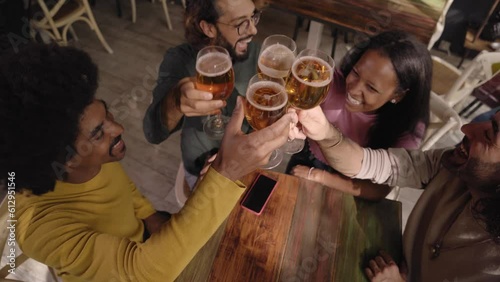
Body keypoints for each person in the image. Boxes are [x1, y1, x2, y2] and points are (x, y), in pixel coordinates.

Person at [0, 44, 296, 281]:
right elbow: (142, 271)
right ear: (63, 162)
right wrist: (226, 171)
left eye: (107, 115)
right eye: (99, 132)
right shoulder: (38, 228)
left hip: (144, 238)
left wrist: (154, 219)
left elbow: (124, 191)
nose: (118, 129)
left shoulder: (97, 157)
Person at [292, 105, 500, 281]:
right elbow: (369, 164)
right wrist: (325, 133)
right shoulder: (452, 166)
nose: (467, 128)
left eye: (489, 135)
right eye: (490, 122)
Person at [288, 31, 432, 200]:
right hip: (307, 157)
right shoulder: (331, 82)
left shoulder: (406, 131)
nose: (354, 89)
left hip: (351, 188)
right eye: (356, 73)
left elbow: (377, 190)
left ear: (398, 95)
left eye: (371, 88)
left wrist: (318, 176)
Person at [143, 0, 263, 189]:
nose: (254, 30)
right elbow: (152, 133)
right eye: (241, 23)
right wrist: (175, 101)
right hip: (199, 166)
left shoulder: (258, 54)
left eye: (253, 17)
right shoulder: (180, 60)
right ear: (208, 28)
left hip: (246, 163)